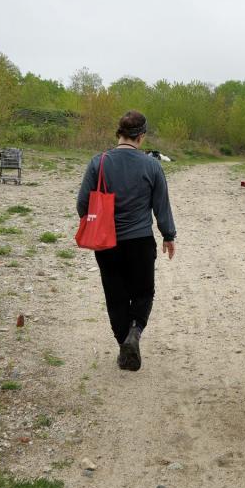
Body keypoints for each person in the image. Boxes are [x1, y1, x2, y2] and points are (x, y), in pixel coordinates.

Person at [76, 111, 176, 371]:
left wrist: (97, 223)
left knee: (115, 295)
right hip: (141, 241)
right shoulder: (152, 165)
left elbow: (82, 204)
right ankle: (135, 332)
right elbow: (161, 205)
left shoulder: (99, 162)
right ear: (141, 136)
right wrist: (168, 235)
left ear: (118, 133)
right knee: (143, 292)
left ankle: (124, 344)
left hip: (106, 242)